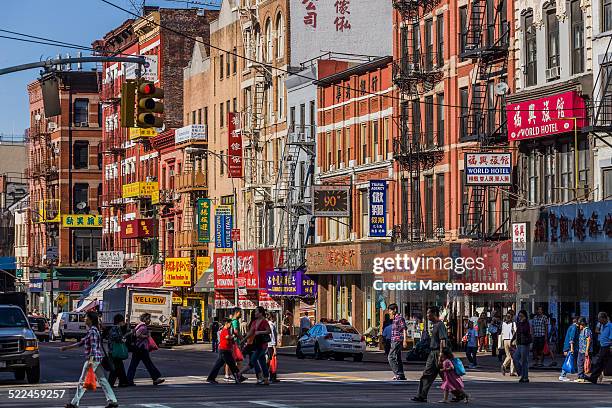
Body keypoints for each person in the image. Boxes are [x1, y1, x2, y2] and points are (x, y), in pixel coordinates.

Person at [61, 311, 118, 408]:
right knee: (102, 380)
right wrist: (67, 347)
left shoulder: (92, 331)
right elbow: (81, 343)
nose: (84, 319)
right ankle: (112, 400)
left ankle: (74, 403)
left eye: (86, 317)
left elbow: (94, 348)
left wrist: (91, 362)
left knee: (82, 381)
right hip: (96, 359)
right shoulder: (93, 330)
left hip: (93, 359)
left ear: (91, 320)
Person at [412, 306, 449, 403]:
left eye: (429, 313)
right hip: (433, 353)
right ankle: (421, 395)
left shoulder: (440, 325)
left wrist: (441, 355)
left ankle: (460, 394)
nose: (427, 315)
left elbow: (443, 340)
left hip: (437, 353)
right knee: (429, 375)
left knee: (446, 377)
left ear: (434, 314)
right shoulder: (435, 325)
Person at [126, 313, 165, 386]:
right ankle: (155, 378)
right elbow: (138, 335)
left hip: (138, 348)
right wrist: (147, 335)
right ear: (145, 319)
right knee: (148, 364)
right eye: (149, 319)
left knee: (134, 365)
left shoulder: (139, 325)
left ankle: (129, 380)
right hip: (141, 348)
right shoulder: (143, 327)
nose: (150, 321)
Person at [239, 306, 272, 385]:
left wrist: (260, 332)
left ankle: (241, 373)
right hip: (256, 344)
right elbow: (250, 333)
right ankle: (266, 378)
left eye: (256, 312)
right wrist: (243, 340)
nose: (255, 313)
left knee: (253, 360)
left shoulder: (264, 321)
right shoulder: (254, 322)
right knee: (262, 361)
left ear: (261, 313)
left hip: (262, 345)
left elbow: (268, 331)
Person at [206, 318, 245, 384]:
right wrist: (233, 336)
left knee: (219, 365)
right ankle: (238, 377)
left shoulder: (227, 330)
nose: (230, 325)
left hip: (225, 350)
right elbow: (227, 337)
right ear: (226, 323)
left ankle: (211, 378)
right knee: (232, 364)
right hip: (224, 350)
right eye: (230, 323)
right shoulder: (225, 330)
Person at [585, 312, 611, 384]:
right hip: (603, 346)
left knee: (600, 362)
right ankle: (593, 378)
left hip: (608, 346)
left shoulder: (610, 326)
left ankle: (593, 378)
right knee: (601, 363)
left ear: (604, 318)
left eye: (600, 319)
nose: (599, 321)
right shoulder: (603, 325)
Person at [107, 314, 129, 388]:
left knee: (119, 367)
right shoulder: (115, 328)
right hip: (114, 351)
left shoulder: (116, 328)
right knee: (116, 368)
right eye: (123, 321)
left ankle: (122, 382)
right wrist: (123, 338)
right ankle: (115, 383)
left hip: (113, 350)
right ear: (120, 321)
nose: (124, 323)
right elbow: (116, 337)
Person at [387, 303, 408, 381]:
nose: (389, 312)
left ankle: (397, 373)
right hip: (394, 340)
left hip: (397, 340)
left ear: (395, 310)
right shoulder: (395, 319)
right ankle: (401, 374)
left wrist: (405, 340)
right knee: (398, 358)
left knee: (390, 357)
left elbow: (404, 329)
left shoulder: (399, 318)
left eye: (390, 310)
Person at [513, 310, 532, 383]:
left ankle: (525, 377)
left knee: (524, 361)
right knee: (515, 358)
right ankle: (521, 373)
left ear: (524, 316)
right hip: (519, 343)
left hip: (525, 343)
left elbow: (524, 331)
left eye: (521, 316)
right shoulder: (519, 323)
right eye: (519, 316)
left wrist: (521, 323)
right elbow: (517, 332)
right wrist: (512, 340)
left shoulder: (527, 323)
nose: (520, 317)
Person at [225, 308, 244, 382]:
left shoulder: (231, 321)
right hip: (235, 343)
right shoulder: (235, 321)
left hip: (231, 343)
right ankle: (238, 375)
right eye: (240, 313)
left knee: (230, 360)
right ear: (237, 313)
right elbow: (236, 332)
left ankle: (228, 375)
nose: (241, 314)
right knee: (239, 360)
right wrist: (243, 339)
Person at [559, 316, 580, 382]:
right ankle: (562, 375)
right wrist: (571, 348)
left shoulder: (571, 327)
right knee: (568, 361)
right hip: (570, 347)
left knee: (569, 361)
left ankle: (564, 375)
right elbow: (571, 338)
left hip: (568, 347)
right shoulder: (574, 327)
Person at [575, 317, 593, 383]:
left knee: (582, 364)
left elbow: (588, 340)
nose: (579, 326)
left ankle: (581, 377)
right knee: (581, 363)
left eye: (579, 325)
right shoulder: (582, 330)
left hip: (584, 351)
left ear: (582, 324)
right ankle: (581, 376)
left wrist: (586, 351)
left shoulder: (586, 330)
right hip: (581, 350)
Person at [501, 312, 517, 376]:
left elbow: (502, 332)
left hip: (505, 340)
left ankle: (504, 365)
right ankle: (511, 371)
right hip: (511, 341)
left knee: (508, 355)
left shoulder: (503, 323)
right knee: (513, 356)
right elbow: (516, 332)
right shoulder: (513, 323)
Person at [267, 313, 279, 383]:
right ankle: (272, 377)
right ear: (272, 318)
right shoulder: (271, 326)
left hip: (268, 345)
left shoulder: (268, 324)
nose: (276, 318)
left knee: (269, 361)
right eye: (275, 317)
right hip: (270, 346)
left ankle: (271, 376)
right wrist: (275, 348)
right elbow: (272, 338)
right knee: (272, 362)